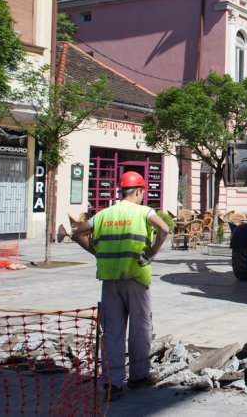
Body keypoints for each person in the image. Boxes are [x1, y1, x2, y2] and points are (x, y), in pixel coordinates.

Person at [70, 171, 169, 401]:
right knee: (140, 328)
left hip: (110, 281)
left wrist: (96, 252)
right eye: (143, 192)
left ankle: (112, 384)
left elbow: (77, 232)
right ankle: (138, 376)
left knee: (112, 332)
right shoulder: (144, 212)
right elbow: (164, 229)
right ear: (138, 191)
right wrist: (152, 252)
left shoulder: (104, 215)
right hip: (136, 277)